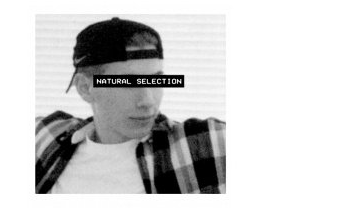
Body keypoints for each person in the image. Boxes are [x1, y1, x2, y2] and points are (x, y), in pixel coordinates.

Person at [35, 17, 227, 194]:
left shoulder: (203, 145)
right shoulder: (46, 138)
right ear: (85, 88)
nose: (148, 101)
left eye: (156, 80)